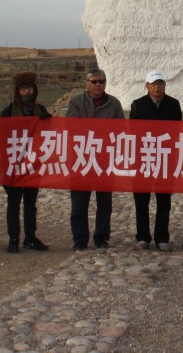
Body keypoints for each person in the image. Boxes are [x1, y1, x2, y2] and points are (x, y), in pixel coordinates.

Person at [66, 68, 124, 251]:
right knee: (79, 204)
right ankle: (80, 239)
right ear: (87, 84)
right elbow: (73, 127)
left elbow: (120, 130)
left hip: (105, 159)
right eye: (94, 82)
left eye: (101, 81)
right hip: (81, 159)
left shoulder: (114, 104)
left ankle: (101, 237)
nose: (98, 85)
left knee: (104, 203)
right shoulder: (76, 102)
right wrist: (99, 131)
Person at [129, 69, 183, 251]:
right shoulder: (138, 105)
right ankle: (142, 236)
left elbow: (177, 132)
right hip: (143, 160)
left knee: (164, 201)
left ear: (165, 85)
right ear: (147, 86)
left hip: (165, 160)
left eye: (160, 83)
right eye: (153, 84)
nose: (157, 87)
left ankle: (162, 237)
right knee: (141, 202)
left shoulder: (173, 105)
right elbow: (132, 134)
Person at [0, 71, 51, 254]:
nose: (27, 91)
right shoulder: (8, 112)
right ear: (17, 91)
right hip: (14, 164)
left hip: (33, 164)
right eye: (23, 89)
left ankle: (30, 237)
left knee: (31, 203)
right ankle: (13, 238)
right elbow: (1, 138)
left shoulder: (40, 111)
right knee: (14, 202)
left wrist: (48, 122)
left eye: (30, 88)